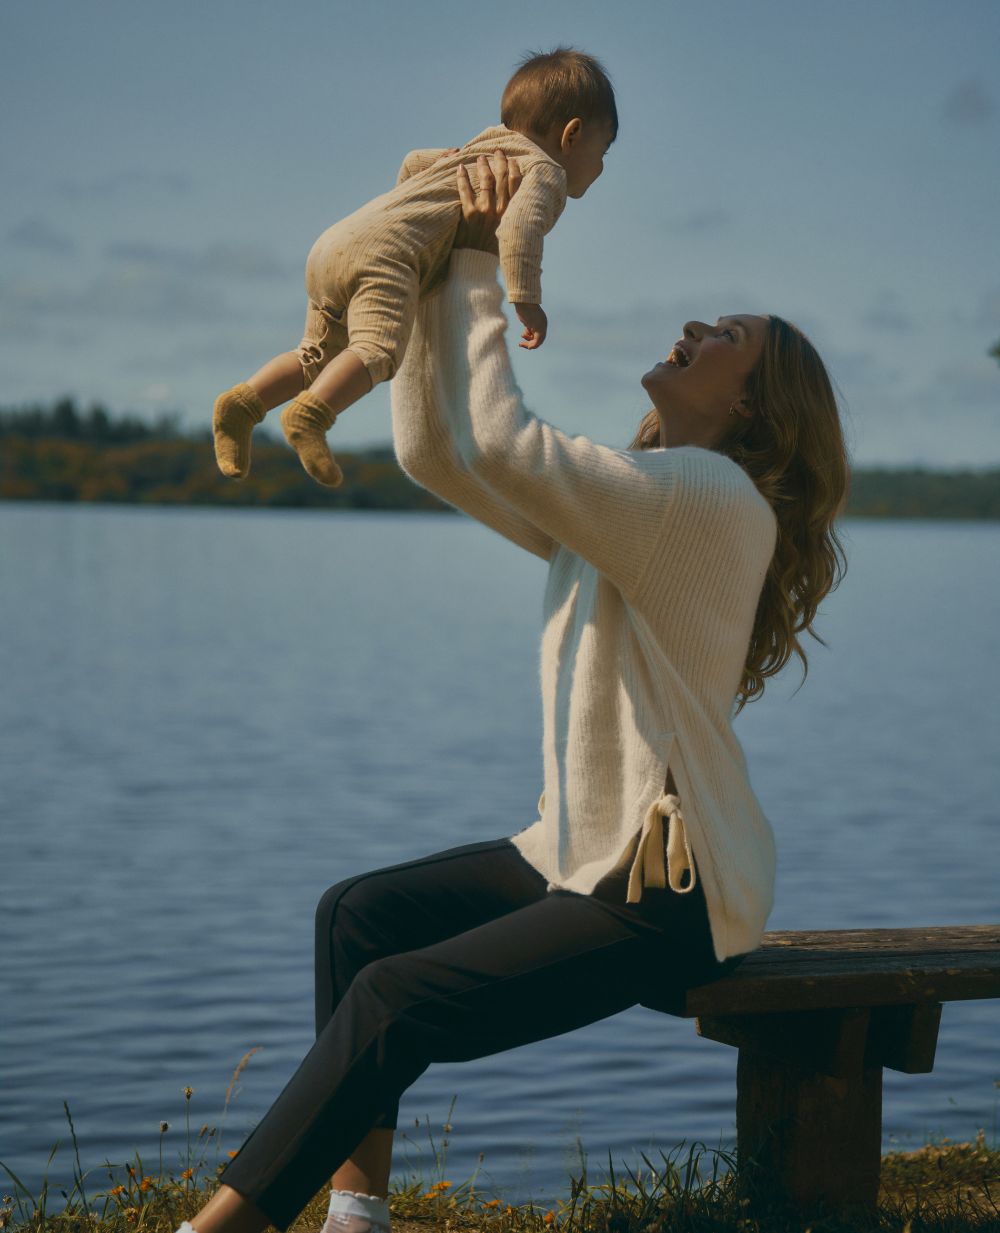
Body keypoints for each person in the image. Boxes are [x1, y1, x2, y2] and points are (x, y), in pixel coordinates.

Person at [179, 153, 849, 1233]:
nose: (696, 325)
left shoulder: (710, 500)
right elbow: (439, 450)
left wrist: (486, 257)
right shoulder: (643, 505)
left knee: (395, 1000)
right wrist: (447, 255)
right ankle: (355, 1219)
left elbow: (497, 436)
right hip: (577, 858)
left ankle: (220, 1229)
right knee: (360, 919)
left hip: (662, 896)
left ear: (752, 399)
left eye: (728, 334)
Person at [211, 47, 617, 489]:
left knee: (315, 353)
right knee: (377, 350)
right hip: (389, 254)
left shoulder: (479, 146)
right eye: (603, 151)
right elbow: (519, 231)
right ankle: (312, 416)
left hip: (338, 240)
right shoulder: (545, 172)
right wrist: (528, 301)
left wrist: (410, 212)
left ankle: (243, 404)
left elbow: (412, 161)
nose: (601, 167)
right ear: (571, 136)